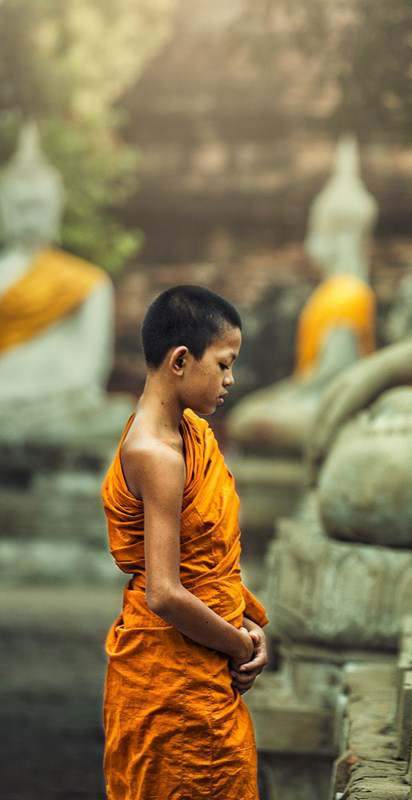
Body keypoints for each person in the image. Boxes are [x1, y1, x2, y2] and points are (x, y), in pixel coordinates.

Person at [101, 285, 269, 799]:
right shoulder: (157, 453)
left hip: (203, 659)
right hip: (171, 681)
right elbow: (166, 593)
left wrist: (245, 624)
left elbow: (210, 560)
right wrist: (239, 643)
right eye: (223, 364)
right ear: (179, 361)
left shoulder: (190, 432)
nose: (230, 379)